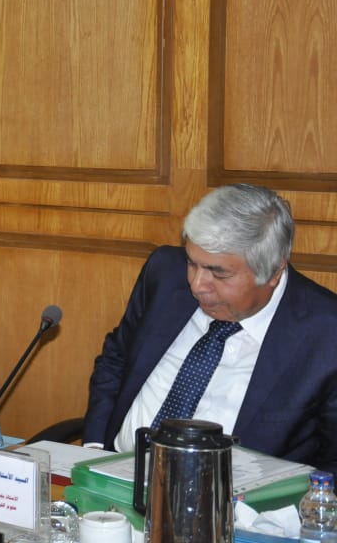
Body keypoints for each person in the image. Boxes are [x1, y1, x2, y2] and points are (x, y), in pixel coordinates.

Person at [83, 183, 337, 470]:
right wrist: (94, 451)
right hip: (114, 470)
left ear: (274, 272)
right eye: (192, 263)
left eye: (219, 273)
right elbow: (116, 358)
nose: (197, 285)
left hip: (232, 494)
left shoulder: (326, 334)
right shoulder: (165, 272)